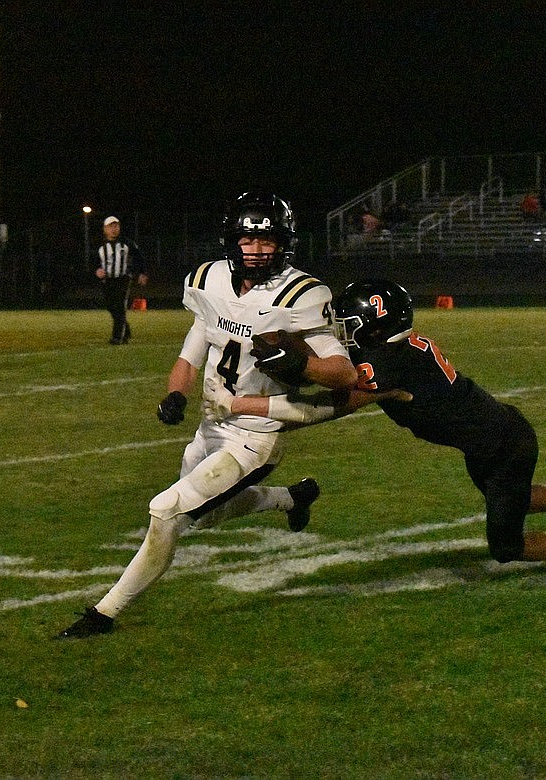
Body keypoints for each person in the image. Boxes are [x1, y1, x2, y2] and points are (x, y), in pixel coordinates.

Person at [56, 192, 358, 638]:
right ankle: (293, 498)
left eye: (267, 241)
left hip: (256, 436)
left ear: (283, 243)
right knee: (204, 515)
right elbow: (196, 343)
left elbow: (344, 372)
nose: (255, 251)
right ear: (230, 241)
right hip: (211, 425)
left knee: (167, 510)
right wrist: (176, 393)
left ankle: (104, 613)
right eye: (246, 240)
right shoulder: (209, 281)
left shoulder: (301, 294)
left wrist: (304, 366)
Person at [207, 279, 546, 579]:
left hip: (503, 445)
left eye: (350, 322)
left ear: (373, 321)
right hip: (495, 438)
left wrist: (244, 406)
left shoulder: (386, 365)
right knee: (515, 498)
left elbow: (326, 408)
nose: (343, 330)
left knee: (506, 546)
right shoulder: (393, 350)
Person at [95, 215, 148, 345]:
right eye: (111, 226)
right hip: (107, 281)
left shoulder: (127, 243)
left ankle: (118, 337)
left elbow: (139, 257)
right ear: (105, 229)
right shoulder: (100, 245)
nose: (114, 229)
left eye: (116, 226)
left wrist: (142, 273)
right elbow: (94, 262)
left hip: (123, 279)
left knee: (119, 306)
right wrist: (97, 271)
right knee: (111, 306)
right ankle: (126, 330)